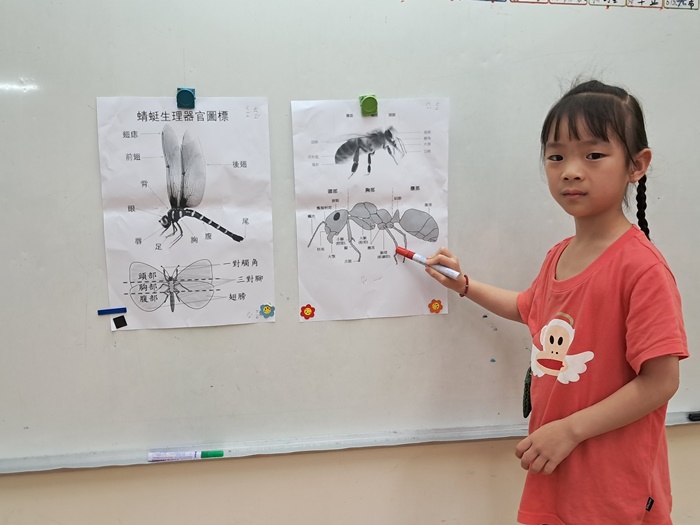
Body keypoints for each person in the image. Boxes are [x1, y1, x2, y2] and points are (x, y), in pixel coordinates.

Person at [425, 79, 689, 525]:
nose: (571, 171)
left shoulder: (642, 268)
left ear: (637, 165)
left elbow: (661, 382)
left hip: (613, 488)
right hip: (556, 469)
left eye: (594, 155)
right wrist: (464, 284)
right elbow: (528, 307)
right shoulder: (559, 255)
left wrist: (569, 430)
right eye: (556, 156)